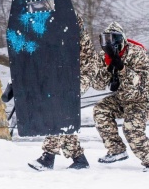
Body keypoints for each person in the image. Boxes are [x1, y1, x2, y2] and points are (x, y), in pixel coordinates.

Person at [80, 19, 149, 172]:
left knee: (131, 129)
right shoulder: (104, 56)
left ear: (121, 39)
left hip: (142, 100)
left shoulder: (137, 53)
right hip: (123, 98)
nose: (109, 43)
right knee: (101, 110)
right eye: (105, 39)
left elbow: (141, 83)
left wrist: (122, 68)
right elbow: (98, 85)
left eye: (113, 39)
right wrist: (108, 68)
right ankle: (116, 150)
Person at [26, 15, 89, 171]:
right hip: (65, 79)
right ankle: (79, 159)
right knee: (64, 117)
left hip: (81, 77)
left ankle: (48, 157)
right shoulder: (62, 38)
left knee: (59, 113)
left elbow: (82, 66)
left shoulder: (81, 41)